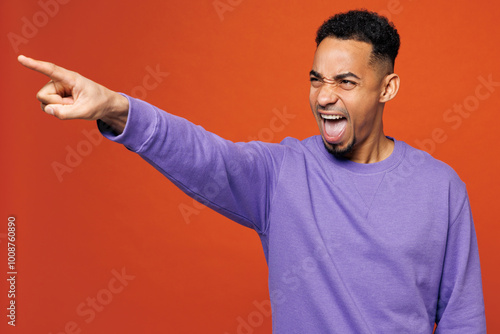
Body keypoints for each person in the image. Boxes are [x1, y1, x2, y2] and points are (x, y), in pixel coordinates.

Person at [18, 9, 486, 333]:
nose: (324, 97)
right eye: (316, 79)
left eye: (346, 82)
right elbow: (205, 155)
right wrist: (118, 108)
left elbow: (464, 320)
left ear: (387, 88)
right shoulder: (281, 174)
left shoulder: (441, 188)